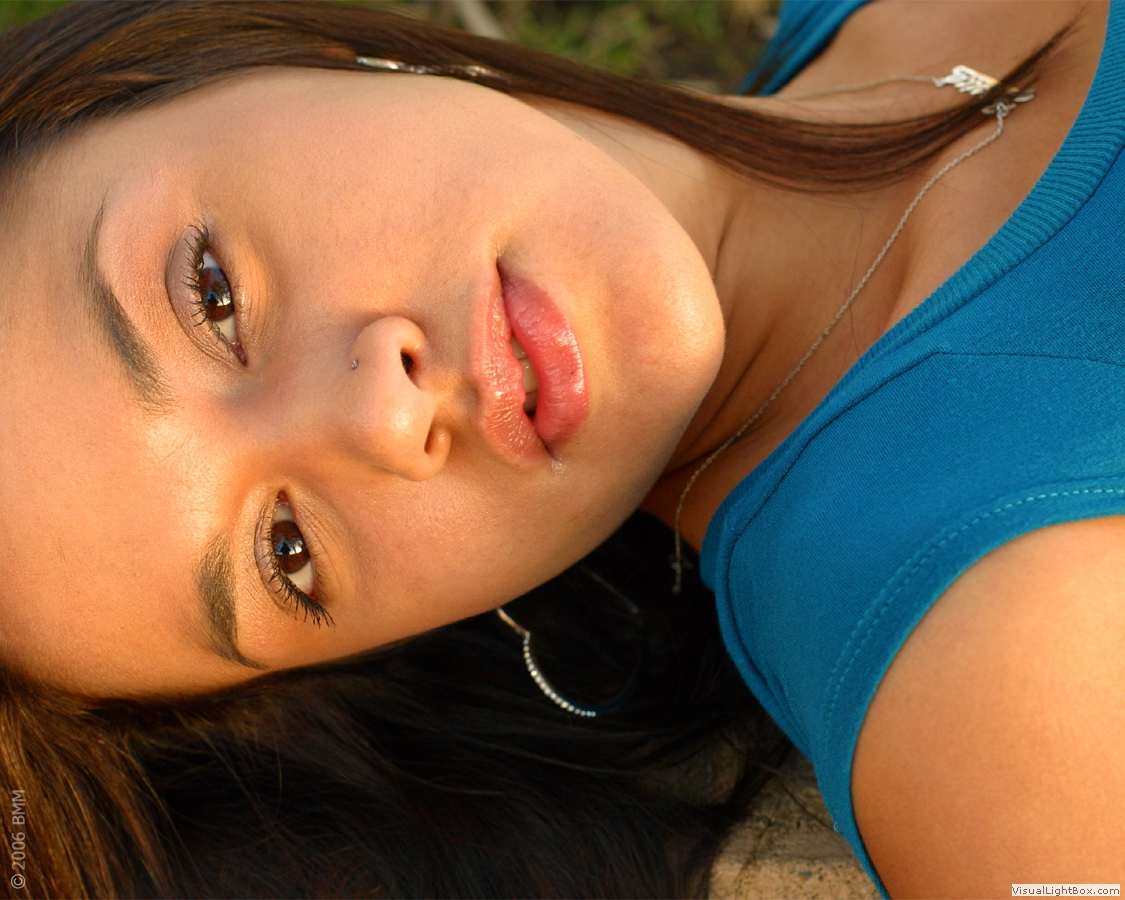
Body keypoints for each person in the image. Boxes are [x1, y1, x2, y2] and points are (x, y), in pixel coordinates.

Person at [0, 1, 1121, 897]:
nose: (383, 419)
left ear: (240, 59)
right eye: (287, 552)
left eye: (212, 295)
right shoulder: (1002, 685)